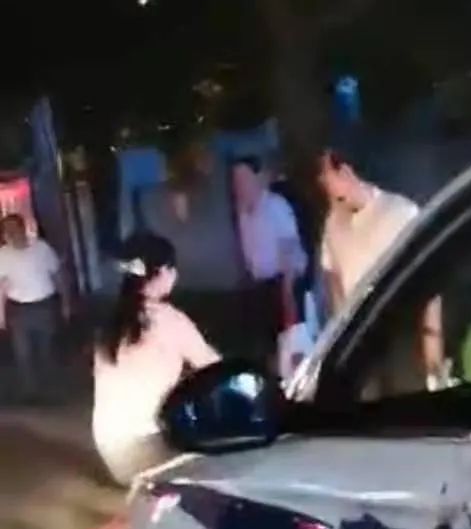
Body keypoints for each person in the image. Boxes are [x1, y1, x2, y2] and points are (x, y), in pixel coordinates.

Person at [92, 231, 219, 486]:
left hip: (111, 452)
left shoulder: (113, 321)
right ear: (161, 272)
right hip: (147, 455)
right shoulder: (167, 319)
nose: (175, 275)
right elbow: (215, 369)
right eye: (172, 269)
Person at [318, 148, 419, 318]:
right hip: (361, 327)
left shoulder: (401, 212)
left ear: (345, 173)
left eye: (325, 174)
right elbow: (333, 275)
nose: (322, 181)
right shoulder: (333, 223)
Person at [232, 157, 308, 365]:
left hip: (284, 284)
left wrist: (288, 294)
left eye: (244, 179)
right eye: (236, 181)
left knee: (290, 348)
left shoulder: (276, 206)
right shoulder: (242, 212)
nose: (239, 186)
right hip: (259, 288)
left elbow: (290, 251)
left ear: (257, 179)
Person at [0, 213, 68, 401]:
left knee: (46, 349)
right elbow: (1, 287)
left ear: (22, 228)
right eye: (6, 230)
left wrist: (66, 302)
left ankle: (49, 389)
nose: (10, 233)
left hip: (44, 305)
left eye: (13, 228)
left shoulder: (41, 249)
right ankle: (30, 392)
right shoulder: (3, 255)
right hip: (18, 309)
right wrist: (1, 315)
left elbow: (58, 276)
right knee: (23, 353)